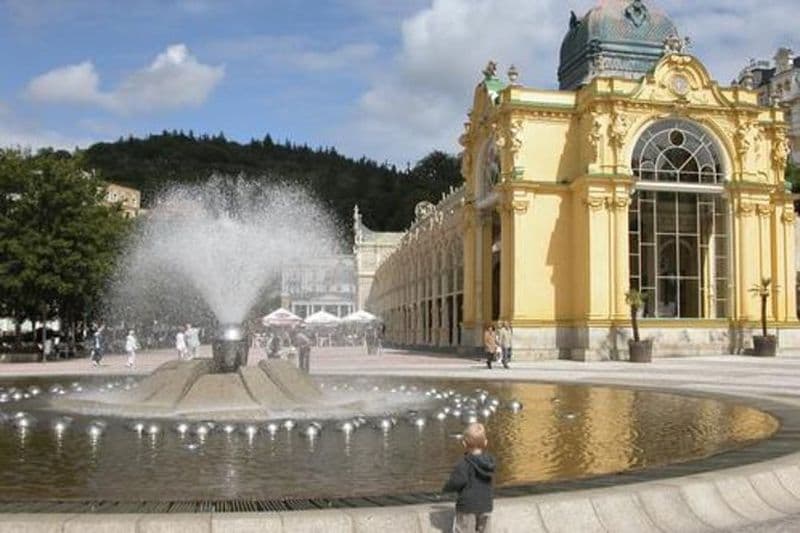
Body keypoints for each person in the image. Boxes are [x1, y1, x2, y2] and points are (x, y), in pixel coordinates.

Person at [442, 422, 496, 533]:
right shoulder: (490, 463)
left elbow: (457, 481)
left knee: (464, 529)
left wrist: (446, 489)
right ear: (485, 442)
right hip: (486, 504)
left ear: (464, 443)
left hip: (467, 506)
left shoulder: (464, 463)